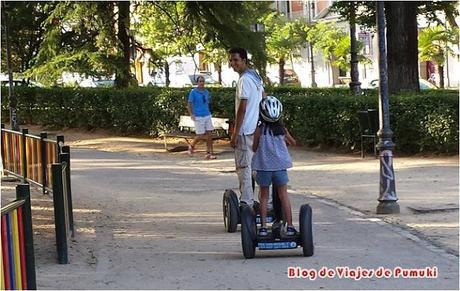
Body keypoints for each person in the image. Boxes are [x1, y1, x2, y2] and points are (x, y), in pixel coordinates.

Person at [252, 96, 297, 237]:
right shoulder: (281, 129)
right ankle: (290, 226)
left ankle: (264, 227)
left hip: (264, 168)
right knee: (284, 195)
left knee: (264, 196)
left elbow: (254, 148)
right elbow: (293, 142)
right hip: (279, 167)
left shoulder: (259, 130)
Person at [228, 47, 264, 207]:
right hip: (257, 129)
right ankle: (267, 202)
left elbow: (242, 108)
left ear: (244, 60)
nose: (232, 63)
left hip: (245, 131)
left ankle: (247, 202)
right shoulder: (256, 78)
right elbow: (264, 98)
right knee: (258, 167)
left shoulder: (243, 80)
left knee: (244, 168)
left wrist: (235, 134)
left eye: (235, 60)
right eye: (231, 60)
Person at [187, 75, 216, 159]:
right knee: (200, 135)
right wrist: (191, 114)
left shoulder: (207, 92)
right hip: (198, 116)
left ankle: (209, 153)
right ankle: (191, 146)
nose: (202, 83)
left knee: (209, 134)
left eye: (203, 81)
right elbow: (189, 104)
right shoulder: (193, 92)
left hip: (207, 114)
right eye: (200, 81)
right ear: (197, 83)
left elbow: (207, 102)